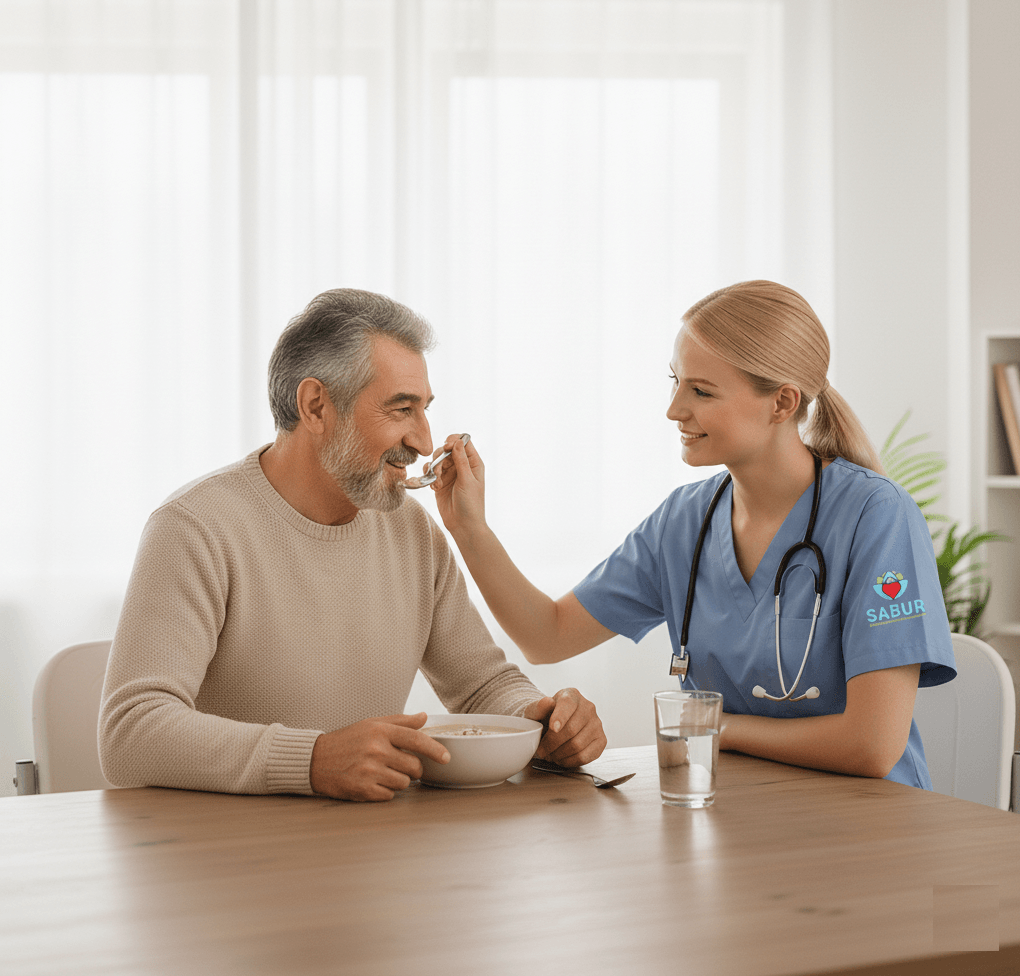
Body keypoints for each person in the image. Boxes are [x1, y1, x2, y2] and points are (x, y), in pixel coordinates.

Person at [428, 280, 956, 789]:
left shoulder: (876, 515)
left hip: (871, 826)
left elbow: (873, 745)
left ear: (782, 403)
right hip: (735, 814)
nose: (675, 409)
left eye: (701, 391)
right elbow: (546, 635)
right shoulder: (686, 521)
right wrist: (469, 526)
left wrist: (714, 728)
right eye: (675, 381)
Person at [99, 289, 606, 802]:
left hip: (367, 849)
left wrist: (539, 717)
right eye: (401, 409)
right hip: (226, 859)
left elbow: (480, 686)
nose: (425, 442)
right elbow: (132, 732)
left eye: (425, 410)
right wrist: (313, 760)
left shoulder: (413, 532)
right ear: (316, 406)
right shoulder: (194, 528)